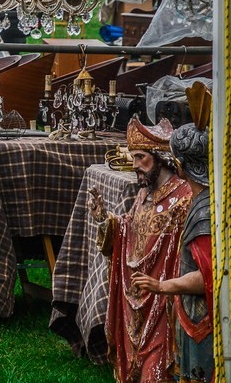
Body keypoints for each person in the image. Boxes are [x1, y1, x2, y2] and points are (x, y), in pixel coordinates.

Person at [89, 118, 192, 383]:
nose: (134, 165)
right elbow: (128, 231)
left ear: (160, 158)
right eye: (133, 157)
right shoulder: (144, 194)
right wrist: (105, 221)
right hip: (136, 301)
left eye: (140, 157)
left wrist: (164, 287)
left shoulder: (184, 199)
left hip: (164, 303)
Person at [131, 88, 213, 383]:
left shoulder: (203, 211)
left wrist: (163, 286)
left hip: (203, 322)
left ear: (179, 164)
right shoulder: (201, 203)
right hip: (193, 318)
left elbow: (209, 277)